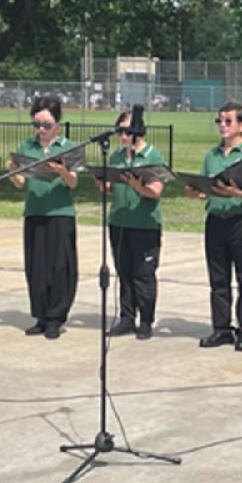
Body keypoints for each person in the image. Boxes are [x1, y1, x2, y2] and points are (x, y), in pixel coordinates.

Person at [187, 101, 242, 351]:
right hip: (216, 221)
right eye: (219, 121)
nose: (222, 125)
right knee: (218, 279)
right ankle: (221, 329)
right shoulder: (211, 155)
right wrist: (197, 191)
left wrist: (237, 193)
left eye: (228, 121)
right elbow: (206, 186)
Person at [9, 96, 78, 339]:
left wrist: (62, 171)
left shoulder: (67, 146)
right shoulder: (27, 147)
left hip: (60, 213)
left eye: (46, 125)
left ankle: (55, 318)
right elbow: (20, 182)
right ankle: (40, 315)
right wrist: (12, 170)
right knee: (36, 266)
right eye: (37, 124)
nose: (41, 129)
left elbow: (73, 183)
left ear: (57, 124)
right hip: (35, 211)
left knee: (60, 266)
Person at [98, 110, 167, 340]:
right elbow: (112, 187)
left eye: (127, 131)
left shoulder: (152, 155)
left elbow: (155, 191)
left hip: (144, 224)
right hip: (119, 222)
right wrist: (102, 183)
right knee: (124, 272)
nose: (123, 136)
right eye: (120, 132)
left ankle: (146, 320)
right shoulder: (116, 156)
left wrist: (138, 186)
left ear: (138, 131)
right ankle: (127, 317)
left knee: (143, 274)